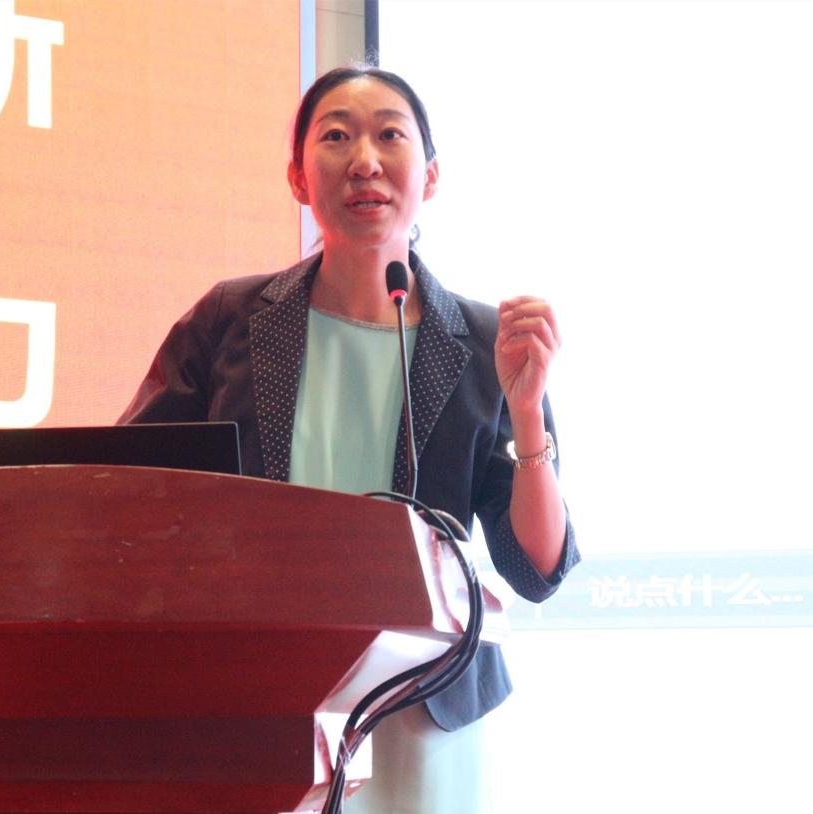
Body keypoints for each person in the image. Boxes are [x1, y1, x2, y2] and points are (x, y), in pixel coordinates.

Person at [120, 64, 579, 814]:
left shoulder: (484, 340)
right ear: (298, 178)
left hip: (424, 712)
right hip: (260, 701)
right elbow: (132, 490)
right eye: (336, 137)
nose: (364, 160)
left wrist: (527, 415)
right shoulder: (230, 320)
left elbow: (535, 568)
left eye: (390, 135)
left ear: (431, 176)